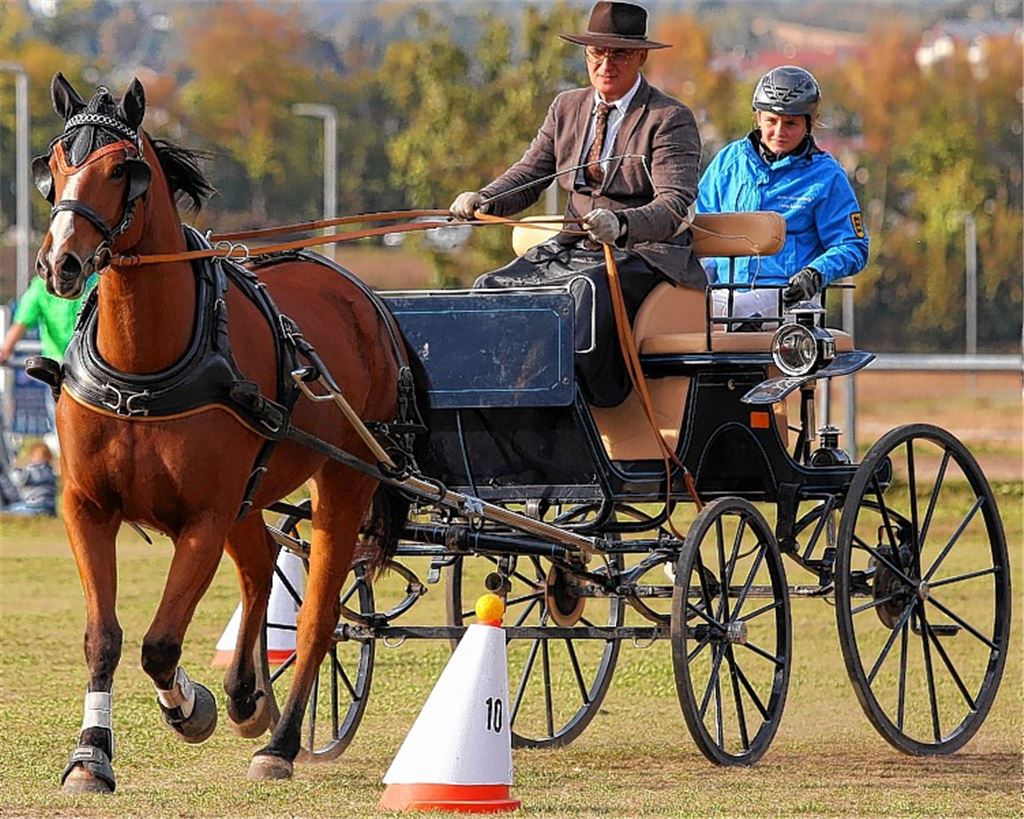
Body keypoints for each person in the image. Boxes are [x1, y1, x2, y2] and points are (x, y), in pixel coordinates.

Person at [449, 0, 704, 407]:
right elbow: (531, 173)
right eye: (597, 53)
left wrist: (620, 224)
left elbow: (674, 204)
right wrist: (484, 199)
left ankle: (576, 404)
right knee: (490, 288)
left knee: (583, 295)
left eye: (618, 53)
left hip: (643, 255)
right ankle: (503, 405)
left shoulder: (668, 118)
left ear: (640, 56)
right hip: (575, 248)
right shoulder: (566, 107)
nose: (606, 64)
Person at [696, 65, 868, 321]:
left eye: (791, 124)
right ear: (758, 118)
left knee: (743, 313)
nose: (779, 132)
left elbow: (852, 245)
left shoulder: (826, 176)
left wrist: (814, 274)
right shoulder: (729, 163)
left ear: (809, 123)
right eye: (771, 121)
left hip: (789, 302)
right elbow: (699, 228)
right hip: (722, 295)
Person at [1, 274, 94, 452]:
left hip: (88, 368)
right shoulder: (40, 287)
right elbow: (22, 321)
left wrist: (6, 349)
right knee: (63, 426)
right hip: (62, 370)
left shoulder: (95, 280)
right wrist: (5, 349)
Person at [3, 441, 57, 516]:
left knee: (7, 510)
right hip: (49, 507)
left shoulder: (37, 472)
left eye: (33, 456)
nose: (31, 458)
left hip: (35, 506)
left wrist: (13, 470)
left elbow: (19, 480)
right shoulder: (49, 472)